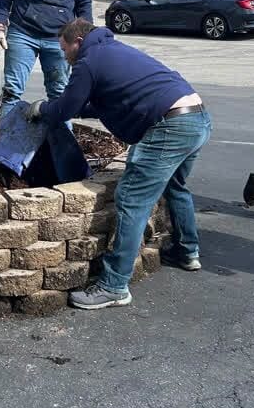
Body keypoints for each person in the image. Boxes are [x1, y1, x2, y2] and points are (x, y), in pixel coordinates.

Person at [29, 18, 211, 310]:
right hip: (196, 116)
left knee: (131, 198)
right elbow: (102, 100)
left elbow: (66, 107)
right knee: (176, 186)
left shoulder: (87, 61)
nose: (63, 56)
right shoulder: (112, 50)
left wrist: (42, 108)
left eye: (64, 49)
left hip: (170, 127)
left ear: (77, 42)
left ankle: (114, 286)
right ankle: (186, 252)